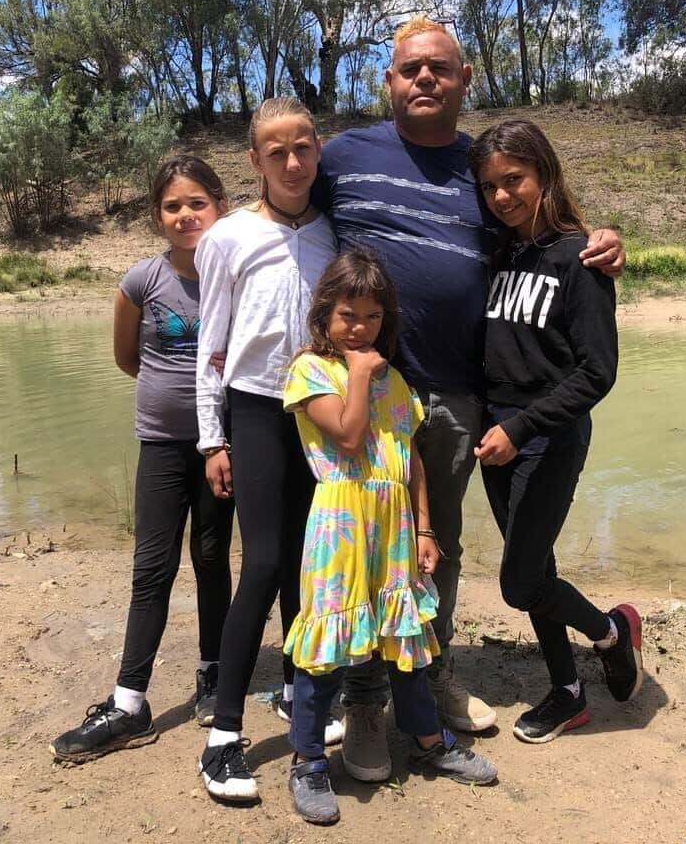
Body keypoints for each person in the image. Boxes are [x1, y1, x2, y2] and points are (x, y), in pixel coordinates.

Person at [311, 16, 626, 780]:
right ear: (387, 81)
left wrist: (604, 239)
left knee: (436, 546)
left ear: (463, 78)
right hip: (367, 390)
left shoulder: (481, 164)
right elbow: (285, 211)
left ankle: (432, 673)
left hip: (458, 396)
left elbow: (538, 236)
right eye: (408, 69)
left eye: (438, 69)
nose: (423, 79)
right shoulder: (343, 154)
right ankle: (357, 701)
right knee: (356, 542)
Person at [282, 251, 498, 824]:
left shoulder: (397, 382)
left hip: (395, 524)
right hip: (340, 523)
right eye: (348, 314)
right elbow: (349, 439)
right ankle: (306, 761)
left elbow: (411, 462)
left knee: (405, 636)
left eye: (373, 317)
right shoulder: (309, 370)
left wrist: (425, 527)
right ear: (324, 313)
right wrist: (356, 372)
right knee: (326, 645)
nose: (359, 327)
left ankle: (428, 743)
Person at [50, 154, 236, 763]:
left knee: (212, 558)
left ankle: (212, 670)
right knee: (151, 568)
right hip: (159, 442)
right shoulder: (140, 282)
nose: (186, 215)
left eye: (197, 202)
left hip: (222, 447)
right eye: (172, 205)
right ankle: (130, 701)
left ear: (220, 205)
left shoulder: (237, 276)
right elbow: (128, 359)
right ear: (158, 216)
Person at [467, 119, 643, 743]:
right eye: (489, 186)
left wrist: (520, 426)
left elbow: (599, 373)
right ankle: (568, 691)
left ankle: (611, 632)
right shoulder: (496, 252)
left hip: (547, 434)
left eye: (513, 180)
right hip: (498, 437)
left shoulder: (581, 259)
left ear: (544, 173)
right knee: (538, 564)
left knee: (519, 583)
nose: (502, 196)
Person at [194, 97, 342, 802]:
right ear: (253, 161)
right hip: (254, 408)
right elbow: (211, 345)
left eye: (303, 148)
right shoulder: (226, 237)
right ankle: (223, 735)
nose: (291, 162)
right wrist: (210, 436)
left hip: (318, 411)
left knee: (310, 560)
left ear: (319, 151)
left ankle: (293, 689)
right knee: (264, 562)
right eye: (275, 152)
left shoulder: (331, 231)